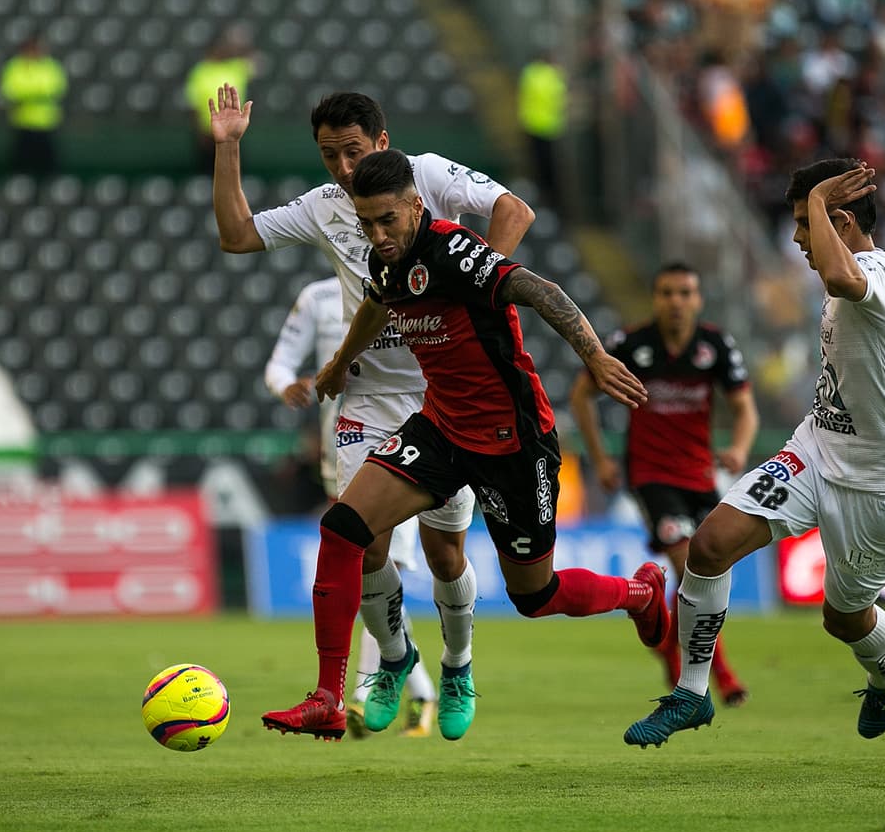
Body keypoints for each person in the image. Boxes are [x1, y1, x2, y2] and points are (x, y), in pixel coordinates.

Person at [261, 148, 664, 742]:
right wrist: (340, 362)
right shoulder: (387, 258)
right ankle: (329, 694)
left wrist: (595, 355)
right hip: (442, 427)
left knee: (535, 594)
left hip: (512, 443)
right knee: (344, 527)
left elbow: (540, 290)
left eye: (387, 221)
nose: (377, 235)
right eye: (367, 223)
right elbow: (377, 302)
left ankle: (639, 595)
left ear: (415, 205)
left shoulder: (453, 250)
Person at [210, 87, 536, 742]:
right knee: (361, 543)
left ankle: (458, 663)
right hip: (367, 402)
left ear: (382, 143)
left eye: (352, 152)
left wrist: (482, 287)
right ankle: (393, 659)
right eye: (329, 155)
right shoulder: (327, 206)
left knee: (446, 555)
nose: (341, 168)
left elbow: (513, 207)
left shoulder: (431, 177)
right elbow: (238, 235)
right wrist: (227, 147)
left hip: (443, 395)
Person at [625, 159, 885, 747]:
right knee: (708, 545)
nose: (796, 239)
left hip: (879, 484)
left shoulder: (881, 274)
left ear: (838, 221)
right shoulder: (847, 276)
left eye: (804, 224)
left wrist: (816, 202)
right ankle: (691, 693)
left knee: (842, 618)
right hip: (816, 451)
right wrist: (816, 204)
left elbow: (845, 279)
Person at [569, 261, 757, 706]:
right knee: (690, 566)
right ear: (655, 299)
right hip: (651, 477)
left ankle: (672, 656)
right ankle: (718, 678)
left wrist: (739, 448)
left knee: (704, 580)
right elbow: (581, 395)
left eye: (685, 293)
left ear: (698, 300)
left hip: (701, 479)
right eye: (667, 293)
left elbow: (746, 408)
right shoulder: (631, 344)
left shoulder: (714, 345)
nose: (676, 302)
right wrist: (600, 458)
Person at [264, 275, 438, 737]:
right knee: (365, 573)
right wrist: (287, 386)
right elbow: (278, 365)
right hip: (340, 444)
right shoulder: (320, 296)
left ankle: (363, 692)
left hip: (404, 438)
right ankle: (419, 688)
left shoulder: (412, 283)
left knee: (378, 566)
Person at [0, 36, 67, 174]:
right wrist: (37, 95)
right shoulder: (15, 67)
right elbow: (10, 90)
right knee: (21, 162)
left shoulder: (51, 67)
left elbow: (57, 89)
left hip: (46, 122)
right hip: (23, 121)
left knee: (48, 162)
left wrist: (29, 96)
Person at [186, 34, 254, 172]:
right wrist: (199, 131)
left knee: (235, 173)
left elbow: (255, 61)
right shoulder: (200, 71)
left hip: (235, 133)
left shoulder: (235, 68)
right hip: (207, 134)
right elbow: (193, 104)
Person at [517, 50, 568, 211]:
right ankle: (552, 200)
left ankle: (541, 196)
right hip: (550, 127)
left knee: (537, 165)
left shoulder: (529, 72)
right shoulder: (555, 76)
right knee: (550, 168)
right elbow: (560, 100)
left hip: (531, 123)